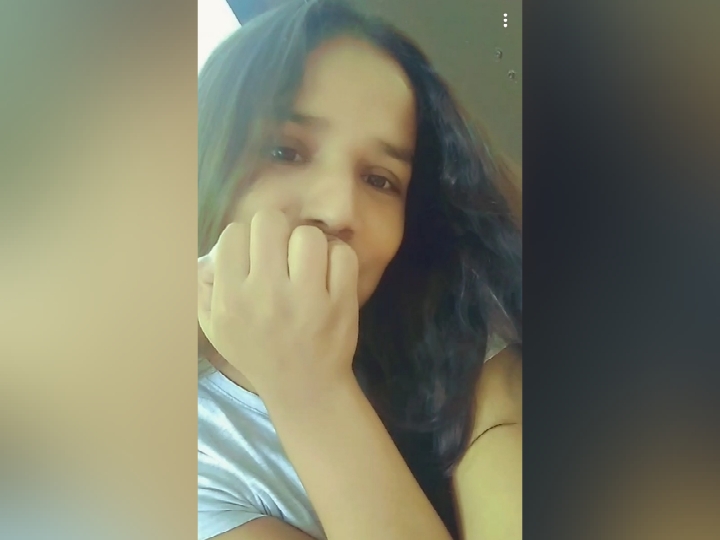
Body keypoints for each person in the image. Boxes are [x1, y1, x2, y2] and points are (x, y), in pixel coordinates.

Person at [197, 1, 522, 539]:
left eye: (380, 179)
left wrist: (313, 381)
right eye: (285, 151)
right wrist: (308, 385)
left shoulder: (451, 325)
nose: (337, 210)